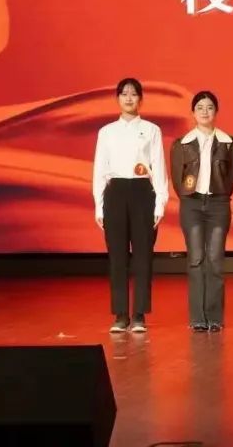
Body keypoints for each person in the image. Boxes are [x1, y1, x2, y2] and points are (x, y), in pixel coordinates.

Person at [92, 77, 169, 333]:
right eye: (124, 94)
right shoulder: (106, 132)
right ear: (117, 99)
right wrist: (99, 205)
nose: (128, 98)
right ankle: (120, 314)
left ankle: (139, 314)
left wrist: (160, 203)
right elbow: (100, 170)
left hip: (142, 191)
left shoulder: (151, 130)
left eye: (133, 94)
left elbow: (159, 167)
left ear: (140, 99)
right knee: (117, 256)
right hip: (115, 192)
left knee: (143, 255)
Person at [169, 90, 233, 332]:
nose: (205, 112)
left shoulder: (229, 143)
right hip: (191, 204)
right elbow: (178, 179)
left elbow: (232, 176)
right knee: (196, 259)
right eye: (200, 107)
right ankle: (198, 318)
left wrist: (219, 195)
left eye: (209, 107)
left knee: (215, 260)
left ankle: (215, 317)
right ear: (193, 112)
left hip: (218, 204)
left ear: (216, 112)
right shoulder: (181, 144)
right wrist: (190, 197)